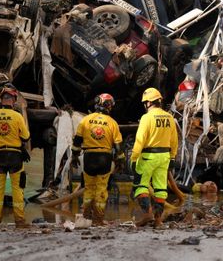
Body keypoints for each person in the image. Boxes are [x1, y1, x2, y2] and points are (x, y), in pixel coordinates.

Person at [70, 93, 123, 226]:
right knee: (101, 189)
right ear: (109, 106)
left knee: (88, 188)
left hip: (89, 157)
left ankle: (87, 216)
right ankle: (98, 219)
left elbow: (77, 141)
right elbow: (118, 146)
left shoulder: (86, 120)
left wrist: (74, 156)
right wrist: (120, 161)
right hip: (105, 158)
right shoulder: (112, 123)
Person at [0, 84, 31, 227]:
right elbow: (26, 136)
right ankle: (20, 221)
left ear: (1, 98)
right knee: (17, 188)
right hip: (15, 156)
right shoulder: (17, 116)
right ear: (14, 99)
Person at [130, 87, 178, 227]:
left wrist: (134, 158)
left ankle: (148, 215)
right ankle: (158, 221)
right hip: (164, 157)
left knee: (140, 186)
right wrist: (173, 158)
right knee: (161, 189)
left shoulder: (147, 118)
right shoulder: (170, 118)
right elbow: (174, 140)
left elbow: (140, 140)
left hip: (148, 157)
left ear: (148, 103)